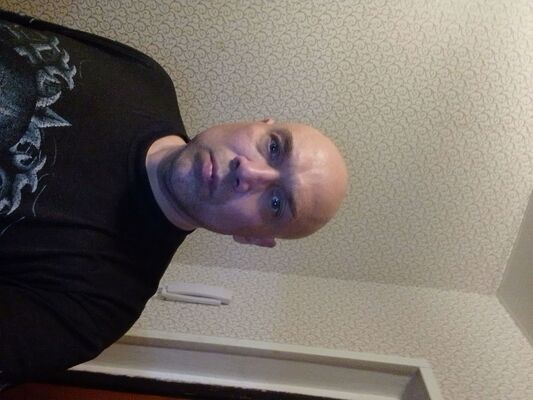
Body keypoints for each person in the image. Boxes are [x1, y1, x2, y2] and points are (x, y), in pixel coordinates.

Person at [0, 10, 347, 383]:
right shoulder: (145, 76)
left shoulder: (97, 307)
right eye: (274, 148)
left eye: (276, 203)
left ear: (252, 237)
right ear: (259, 123)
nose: (248, 173)